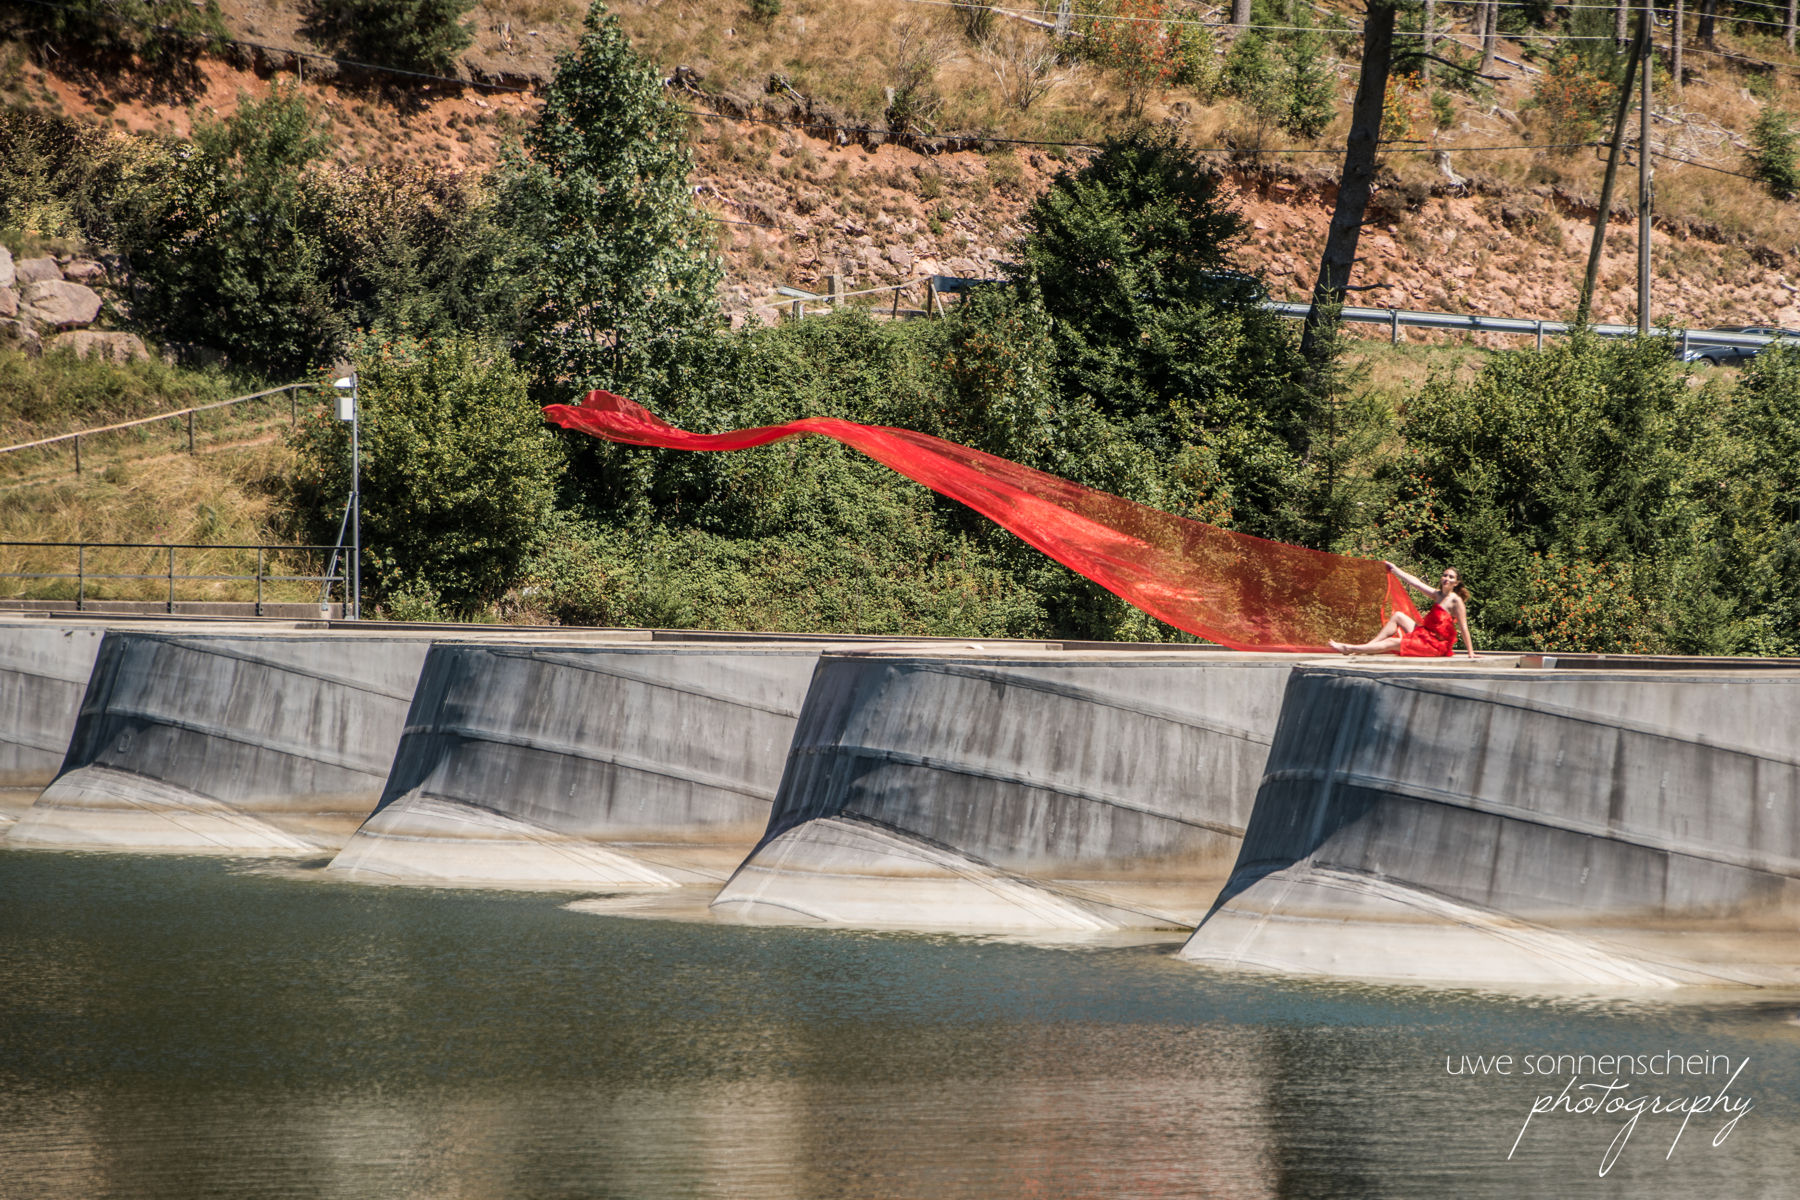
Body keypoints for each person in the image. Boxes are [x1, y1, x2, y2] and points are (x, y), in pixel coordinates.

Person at [1329, 562, 1477, 659]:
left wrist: (1471, 653)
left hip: (1435, 645)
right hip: (1425, 634)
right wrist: (1395, 569)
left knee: (1392, 642)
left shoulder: (1456, 601)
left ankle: (1349, 648)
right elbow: (1416, 583)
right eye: (1445, 575)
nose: (1446, 578)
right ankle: (1366, 647)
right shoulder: (1437, 594)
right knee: (1398, 615)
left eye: (1451, 577)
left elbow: (1463, 627)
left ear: (1456, 583)